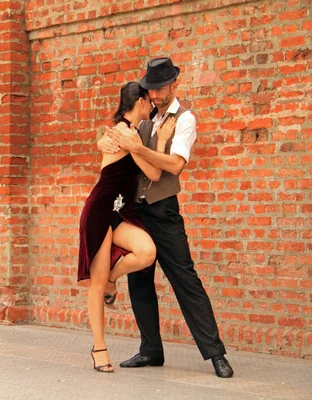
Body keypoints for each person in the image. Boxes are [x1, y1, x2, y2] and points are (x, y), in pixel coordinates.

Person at [100, 57, 234, 378]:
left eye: (159, 88)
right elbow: (114, 140)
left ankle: (215, 354)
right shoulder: (144, 116)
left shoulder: (185, 120)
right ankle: (151, 350)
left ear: (173, 84)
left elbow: (174, 166)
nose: (155, 95)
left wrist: (138, 147)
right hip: (136, 210)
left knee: (186, 280)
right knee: (140, 280)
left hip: (163, 210)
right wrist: (111, 141)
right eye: (151, 90)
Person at [78, 82, 176, 373]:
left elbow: (150, 171)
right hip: (99, 211)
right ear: (142, 102)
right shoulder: (122, 133)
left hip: (118, 212)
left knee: (146, 252)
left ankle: (112, 279)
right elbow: (154, 173)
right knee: (95, 285)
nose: (152, 105)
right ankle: (99, 348)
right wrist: (159, 142)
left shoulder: (129, 133)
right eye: (150, 101)